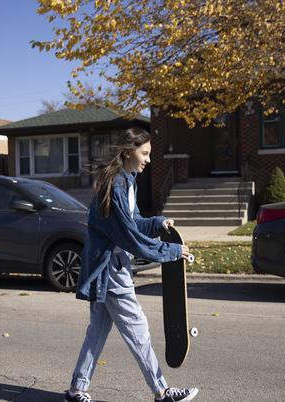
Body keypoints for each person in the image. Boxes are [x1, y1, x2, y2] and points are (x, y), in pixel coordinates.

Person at [65, 128, 199, 402]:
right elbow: (128, 236)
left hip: (109, 266)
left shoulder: (128, 181)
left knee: (97, 331)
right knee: (137, 328)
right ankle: (162, 391)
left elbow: (134, 221)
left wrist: (156, 222)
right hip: (111, 269)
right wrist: (170, 251)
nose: (148, 159)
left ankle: (77, 389)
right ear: (128, 151)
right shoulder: (114, 185)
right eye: (145, 153)